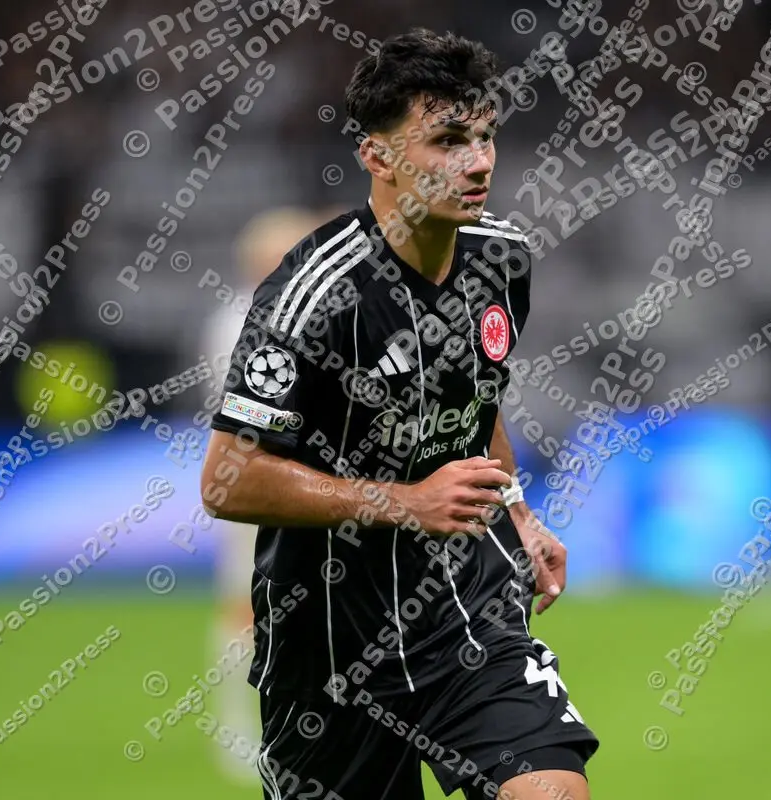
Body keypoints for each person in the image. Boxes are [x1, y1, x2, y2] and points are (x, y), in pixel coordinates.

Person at [201, 29, 598, 800]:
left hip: (465, 619)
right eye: (448, 140)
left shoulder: (503, 258)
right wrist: (405, 503)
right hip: (328, 647)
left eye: (485, 137)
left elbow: (474, 403)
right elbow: (227, 480)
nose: (478, 161)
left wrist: (517, 512)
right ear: (377, 156)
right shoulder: (311, 295)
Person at [200, 206, 329, 784]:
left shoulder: (279, 315)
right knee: (245, 609)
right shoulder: (243, 324)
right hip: (260, 486)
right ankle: (235, 727)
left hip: (304, 488)